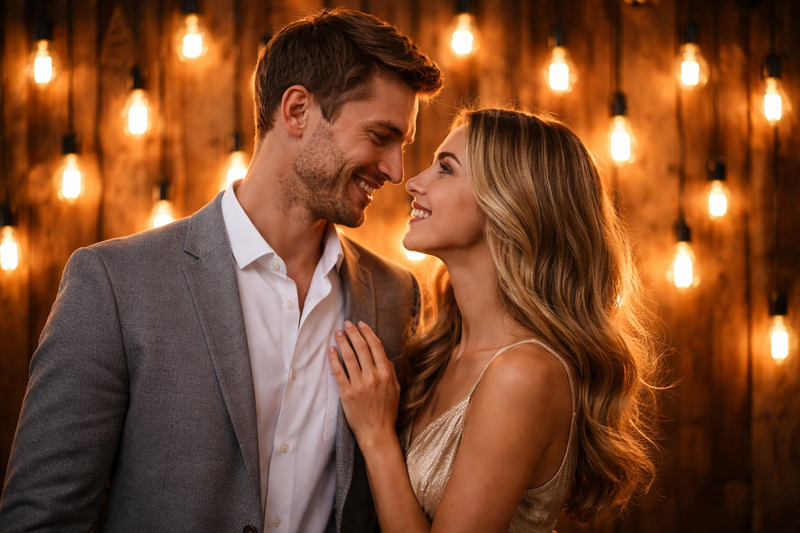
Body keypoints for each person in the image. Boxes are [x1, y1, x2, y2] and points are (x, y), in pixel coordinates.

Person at [0, 9, 443, 533]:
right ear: (298, 110)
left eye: (403, 146)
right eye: (380, 135)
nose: (395, 170)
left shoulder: (398, 296)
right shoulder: (114, 285)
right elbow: (42, 519)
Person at [329, 108, 663, 532]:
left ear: (508, 202)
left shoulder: (523, 374)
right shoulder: (441, 347)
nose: (413, 182)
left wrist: (376, 437)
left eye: (445, 170)